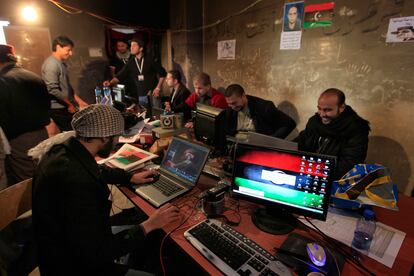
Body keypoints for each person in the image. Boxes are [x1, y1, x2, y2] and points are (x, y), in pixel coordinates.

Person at [31, 104, 180, 276]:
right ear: (103, 137)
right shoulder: (77, 184)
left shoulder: (64, 151)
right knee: (149, 232)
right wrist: (149, 225)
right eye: (116, 136)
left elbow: (96, 169)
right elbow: (99, 251)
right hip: (73, 266)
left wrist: (129, 177)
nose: (117, 141)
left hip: (64, 247)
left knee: (146, 233)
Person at [0, 44, 50, 185]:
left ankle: (36, 206)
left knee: (27, 180)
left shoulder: (3, 80)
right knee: (43, 171)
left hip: (20, 139)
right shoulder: (33, 76)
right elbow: (47, 105)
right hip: (42, 133)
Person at [295, 88, 370, 179]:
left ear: (341, 108)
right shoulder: (314, 122)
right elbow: (301, 142)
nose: (322, 114)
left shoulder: (356, 128)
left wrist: (315, 170)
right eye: (319, 109)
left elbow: (350, 165)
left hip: (334, 181)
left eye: (327, 110)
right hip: (307, 173)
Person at [42, 36, 88, 131]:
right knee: (71, 133)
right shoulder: (52, 64)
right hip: (58, 108)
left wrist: (79, 101)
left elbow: (66, 86)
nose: (71, 53)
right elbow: (52, 89)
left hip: (65, 105)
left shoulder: (60, 63)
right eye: (68, 50)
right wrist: (69, 104)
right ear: (58, 47)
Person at [105, 38, 167, 108]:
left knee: (157, 114)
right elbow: (120, 76)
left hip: (153, 93)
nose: (131, 48)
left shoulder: (150, 59)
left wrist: (158, 88)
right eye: (131, 46)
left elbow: (163, 73)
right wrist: (110, 83)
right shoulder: (131, 62)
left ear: (141, 48)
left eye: (134, 46)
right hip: (141, 95)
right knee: (144, 116)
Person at [224, 84, 296, 138]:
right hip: (237, 146)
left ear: (243, 96)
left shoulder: (264, 107)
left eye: (234, 103)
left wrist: (271, 141)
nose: (232, 107)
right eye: (229, 104)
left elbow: (289, 123)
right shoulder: (230, 110)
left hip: (258, 148)